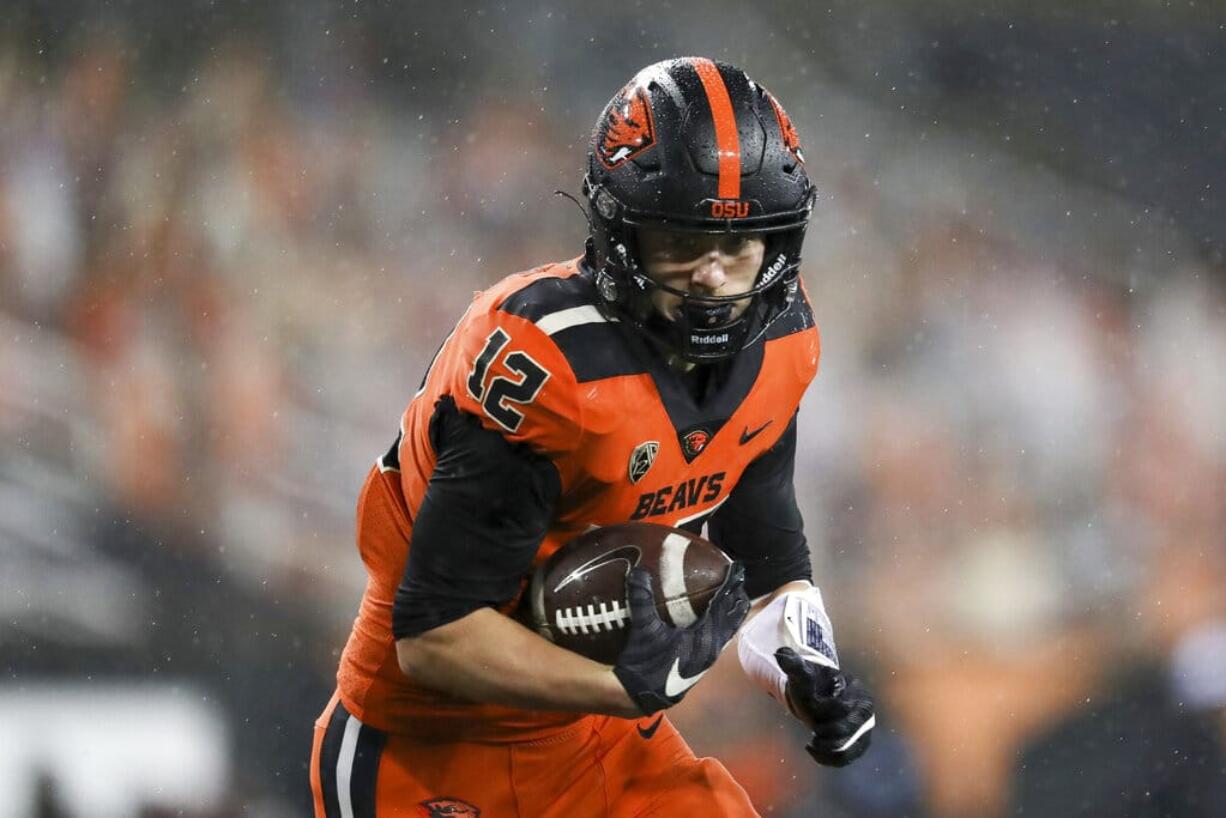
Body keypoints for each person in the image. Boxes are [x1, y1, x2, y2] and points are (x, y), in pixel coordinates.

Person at [310, 57, 876, 818]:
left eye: (738, 246)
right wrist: (620, 684)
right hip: (427, 744)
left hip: (596, 741)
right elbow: (434, 636)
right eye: (682, 239)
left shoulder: (781, 343)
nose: (712, 276)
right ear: (621, 232)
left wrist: (804, 667)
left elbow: (765, 552)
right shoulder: (548, 361)